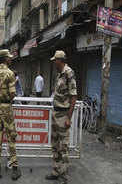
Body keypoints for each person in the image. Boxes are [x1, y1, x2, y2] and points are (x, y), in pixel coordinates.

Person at [45, 50, 77, 184]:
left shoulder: (69, 73)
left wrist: (69, 118)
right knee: (55, 144)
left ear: (60, 60)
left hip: (63, 115)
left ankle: (64, 176)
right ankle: (56, 171)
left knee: (63, 147)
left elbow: (73, 97)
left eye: (55, 60)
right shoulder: (59, 74)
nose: (53, 62)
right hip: (55, 113)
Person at [0, 49, 22, 180]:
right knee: (11, 137)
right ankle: (14, 167)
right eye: (9, 57)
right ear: (5, 59)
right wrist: (7, 99)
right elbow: (13, 93)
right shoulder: (10, 73)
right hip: (7, 107)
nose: (11, 59)